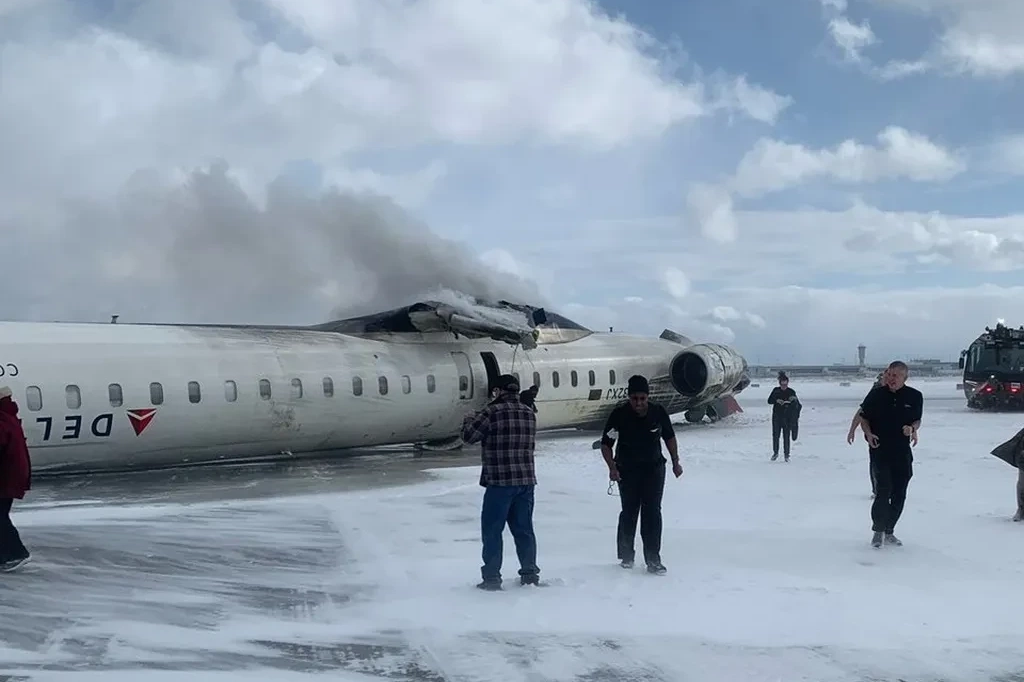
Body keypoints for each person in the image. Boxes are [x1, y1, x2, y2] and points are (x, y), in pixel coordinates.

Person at [461, 374, 540, 590]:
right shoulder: (529, 413)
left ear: (498, 391)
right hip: (526, 481)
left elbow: (468, 437)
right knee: (524, 530)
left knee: (493, 531)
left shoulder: (491, 412)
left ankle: (492, 578)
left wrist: (469, 419)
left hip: (500, 482)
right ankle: (530, 574)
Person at [599, 375, 683, 575]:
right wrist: (612, 467)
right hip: (627, 470)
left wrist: (675, 461)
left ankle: (653, 559)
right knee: (629, 512)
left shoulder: (658, 412)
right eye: (634, 398)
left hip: (654, 469)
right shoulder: (619, 415)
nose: (638, 403)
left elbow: (669, 437)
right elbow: (606, 444)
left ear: (648, 397)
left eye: (642, 398)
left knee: (652, 512)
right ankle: (626, 555)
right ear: (629, 397)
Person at [858, 361, 923, 548]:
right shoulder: (876, 395)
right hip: (880, 450)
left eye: (896, 375)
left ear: (905, 377)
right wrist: (868, 434)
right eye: (889, 374)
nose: (891, 378)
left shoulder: (915, 396)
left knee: (899, 493)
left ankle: (889, 530)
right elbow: (863, 418)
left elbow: (917, 420)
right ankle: (878, 530)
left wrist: (912, 428)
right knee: (883, 489)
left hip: (902, 452)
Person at [0, 386, 31, 570]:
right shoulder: (9, 416)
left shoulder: (2, 420)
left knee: (0, 518)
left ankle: (17, 553)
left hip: (5, 478)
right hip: (10, 477)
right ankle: (6, 555)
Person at [847, 369, 889, 497]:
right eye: (885, 377)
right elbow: (862, 412)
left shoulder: (899, 391)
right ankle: (877, 490)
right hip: (875, 434)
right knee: (876, 462)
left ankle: (890, 489)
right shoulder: (875, 393)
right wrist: (852, 430)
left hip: (894, 434)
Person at [766, 372, 798, 461]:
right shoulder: (776, 391)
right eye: (782, 384)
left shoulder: (791, 391)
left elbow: (797, 406)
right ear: (779, 383)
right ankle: (775, 453)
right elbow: (769, 401)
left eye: (785, 384)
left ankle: (786, 455)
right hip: (777, 416)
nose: (784, 386)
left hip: (787, 417)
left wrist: (793, 400)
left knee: (786, 436)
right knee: (776, 435)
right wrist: (776, 400)